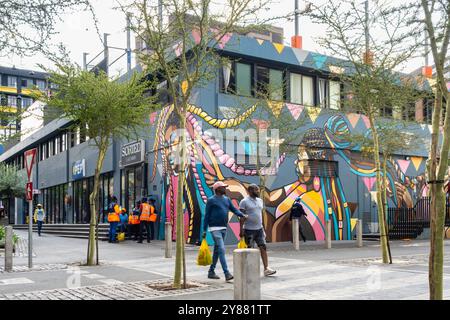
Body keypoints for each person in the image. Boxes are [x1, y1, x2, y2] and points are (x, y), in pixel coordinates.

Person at [203, 181, 247, 281]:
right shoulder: (211, 200)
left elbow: (234, 210)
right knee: (222, 248)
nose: (225, 189)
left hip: (223, 228)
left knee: (217, 250)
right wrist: (204, 230)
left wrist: (242, 215)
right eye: (223, 187)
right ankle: (226, 273)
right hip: (214, 228)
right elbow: (206, 216)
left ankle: (211, 271)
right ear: (218, 189)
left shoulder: (227, 199)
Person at [239, 184, 276, 276]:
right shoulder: (244, 202)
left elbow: (260, 215)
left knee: (263, 247)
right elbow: (241, 217)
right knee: (249, 250)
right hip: (248, 230)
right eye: (256, 190)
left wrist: (263, 227)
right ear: (250, 191)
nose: (258, 191)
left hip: (259, 229)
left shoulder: (260, 200)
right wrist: (241, 230)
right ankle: (248, 270)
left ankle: (266, 269)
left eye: (258, 190)